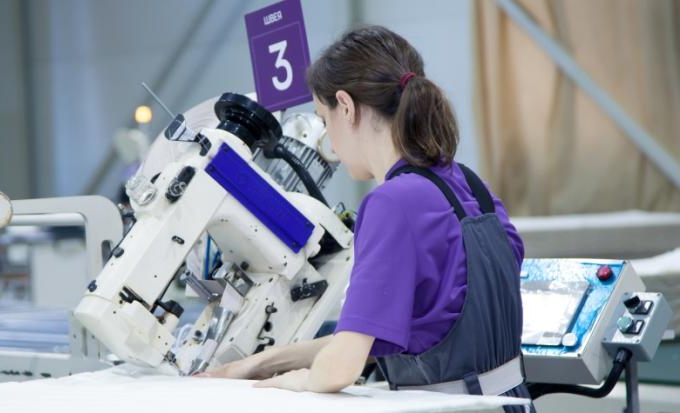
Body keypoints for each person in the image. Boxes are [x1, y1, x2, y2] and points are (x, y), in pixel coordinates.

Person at [198, 25, 531, 411]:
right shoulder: (472, 186)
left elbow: (340, 368)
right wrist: (258, 364)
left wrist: (299, 381)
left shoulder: (391, 203)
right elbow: (369, 339)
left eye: (324, 120)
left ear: (346, 106)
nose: (330, 142)